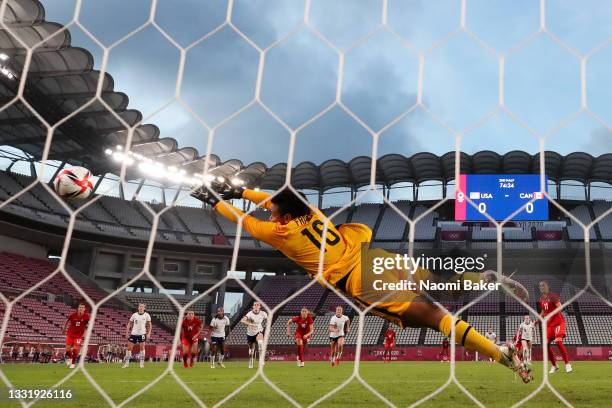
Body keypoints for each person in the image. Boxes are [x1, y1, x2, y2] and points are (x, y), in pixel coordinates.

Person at [191, 185, 532, 382]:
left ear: (282, 216)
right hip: (375, 255)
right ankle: (486, 279)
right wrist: (241, 190)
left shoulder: (280, 233)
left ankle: (503, 357)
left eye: (273, 212)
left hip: (361, 279)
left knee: (435, 316)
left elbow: (244, 220)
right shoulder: (310, 211)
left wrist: (216, 200)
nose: (269, 214)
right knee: (443, 285)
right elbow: (274, 199)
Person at [538, 281, 572, 373]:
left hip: (558, 323)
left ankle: (567, 364)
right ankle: (554, 365)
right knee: (545, 345)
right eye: (540, 286)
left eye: (543, 285)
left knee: (558, 341)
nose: (541, 287)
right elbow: (543, 312)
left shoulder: (553, 296)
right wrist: (538, 320)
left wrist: (550, 314)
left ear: (548, 286)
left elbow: (560, 307)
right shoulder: (541, 299)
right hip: (549, 325)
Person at [122, 303, 152, 368]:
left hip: (142, 333)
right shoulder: (134, 315)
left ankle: (141, 363)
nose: (141, 307)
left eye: (142, 307)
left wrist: (149, 333)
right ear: (138, 308)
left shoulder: (147, 315)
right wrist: (127, 332)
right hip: (134, 333)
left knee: (142, 348)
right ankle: (126, 364)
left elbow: (149, 325)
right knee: (129, 348)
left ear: (144, 308)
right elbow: (129, 323)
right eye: (140, 306)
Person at [62, 303, 90, 368]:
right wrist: (64, 328)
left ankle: (73, 363)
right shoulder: (73, 315)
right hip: (70, 334)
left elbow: (87, 326)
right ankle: (69, 358)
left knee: (75, 349)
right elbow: (66, 321)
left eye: (82, 307)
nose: (81, 308)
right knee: (67, 349)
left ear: (84, 309)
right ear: (78, 308)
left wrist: (85, 335)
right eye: (80, 307)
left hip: (78, 336)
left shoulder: (86, 316)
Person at [241, 302, 267, 369]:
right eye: (255, 305)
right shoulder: (250, 314)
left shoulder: (263, 314)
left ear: (260, 307)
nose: (256, 306)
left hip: (259, 331)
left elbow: (268, 319)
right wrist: (250, 324)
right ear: (253, 307)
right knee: (251, 350)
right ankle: (251, 361)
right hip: (250, 333)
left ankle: (261, 360)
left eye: (257, 305)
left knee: (260, 343)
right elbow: (242, 321)